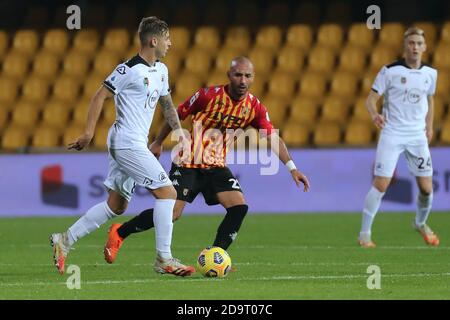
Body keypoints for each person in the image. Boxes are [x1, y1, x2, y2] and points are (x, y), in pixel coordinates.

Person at [103, 56, 311, 264]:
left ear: (253, 78)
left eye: (248, 76)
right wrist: (158, 142)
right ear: (229, 75)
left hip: (216, 166)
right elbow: (177, 113)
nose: (242, 80)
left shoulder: (255, 108)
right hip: (188, 162)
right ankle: (121, 231)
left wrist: (292, 168)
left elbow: (273, 138)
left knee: (239, 207)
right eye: (238, 75)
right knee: (172, 213)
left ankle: (217, 255)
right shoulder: (207, 96)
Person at [50, 16, 195, 277]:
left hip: (134, 142)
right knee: (168, 193)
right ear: (154, 40)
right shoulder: (128, 70)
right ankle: (164, 258)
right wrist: (88, 132)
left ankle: (64, 240)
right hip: (126, 142)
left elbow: (167, 104)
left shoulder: (161, 70)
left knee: (117, 205)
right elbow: (99, 95)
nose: (170, 44)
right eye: (167, 38)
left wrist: (179, 133)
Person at [358, 26, 439, 248]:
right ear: (405, 46)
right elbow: (370, 99)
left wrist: (429, 126)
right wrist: (375, 115)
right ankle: (364, 233)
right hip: (392, 133)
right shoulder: (389, 71)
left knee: (426, 189)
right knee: (381, 184)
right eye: (411, 43)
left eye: (418, 43)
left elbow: (430, 99)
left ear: (425, 47)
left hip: (417, 136)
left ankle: (420, 223)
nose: (415, 47)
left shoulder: (431, 74)